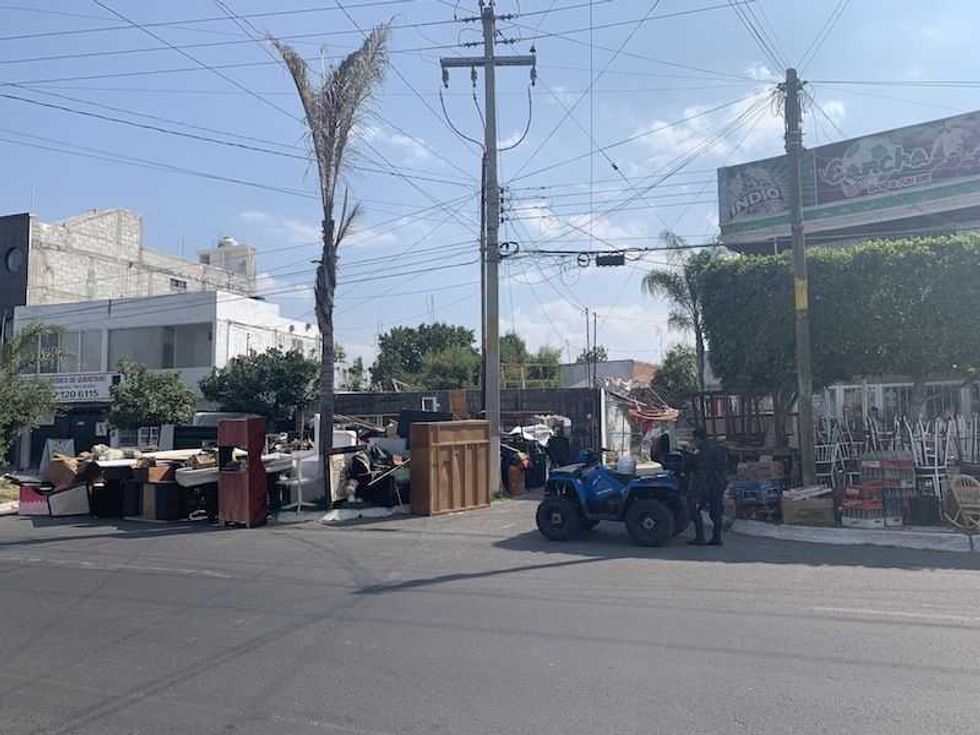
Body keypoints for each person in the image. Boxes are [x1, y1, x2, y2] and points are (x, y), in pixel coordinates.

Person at [687, 426, 728, 547]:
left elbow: (695, 466)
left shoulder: (701, 450)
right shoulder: (716, 447)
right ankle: (717, 537)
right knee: (716, 511)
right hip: (718, 483)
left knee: (693, 508)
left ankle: (700, 537)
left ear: (698, 438)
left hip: (705, 484)